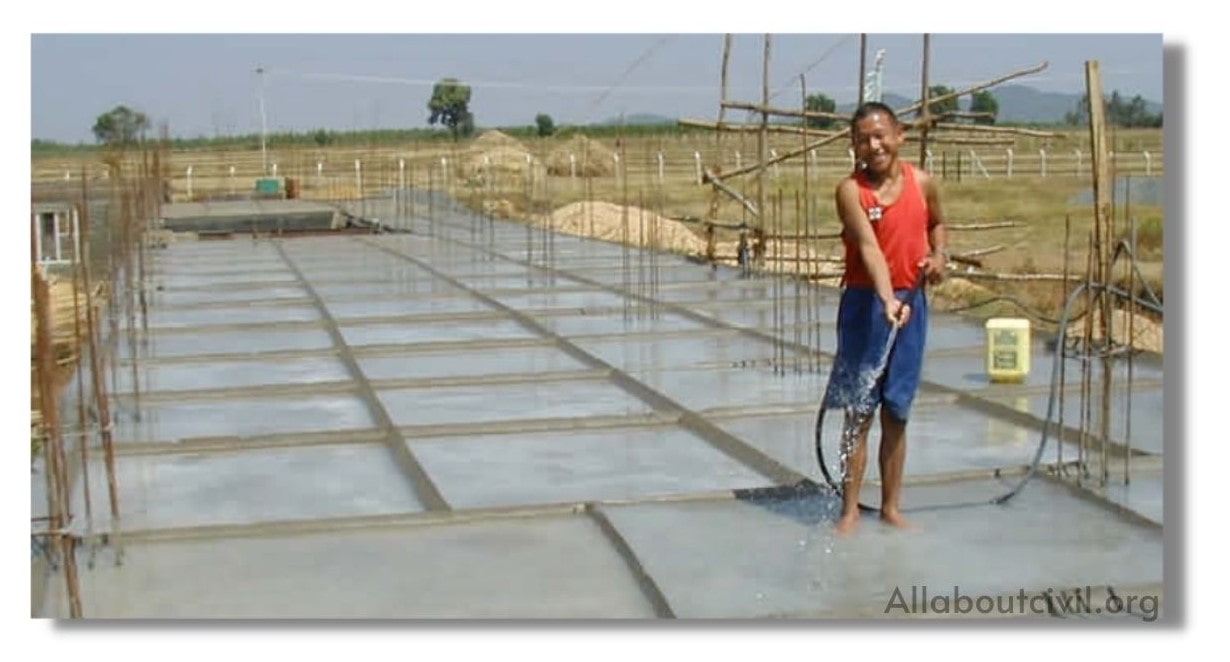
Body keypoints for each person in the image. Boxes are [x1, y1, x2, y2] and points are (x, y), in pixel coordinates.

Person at [828, 101, 949, 535]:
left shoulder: (923, 183)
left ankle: (891, 507)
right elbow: (868, 249)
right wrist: (884, 299)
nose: (873, 145)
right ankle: (849, 510)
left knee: (896, 410)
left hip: (910, 305)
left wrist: (938, 258)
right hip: (866, 304)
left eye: (881, 135)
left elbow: (937, 225)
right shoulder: (851, 191)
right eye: (863, 138)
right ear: (853, 145)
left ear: (900, 135)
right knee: (860, 410)